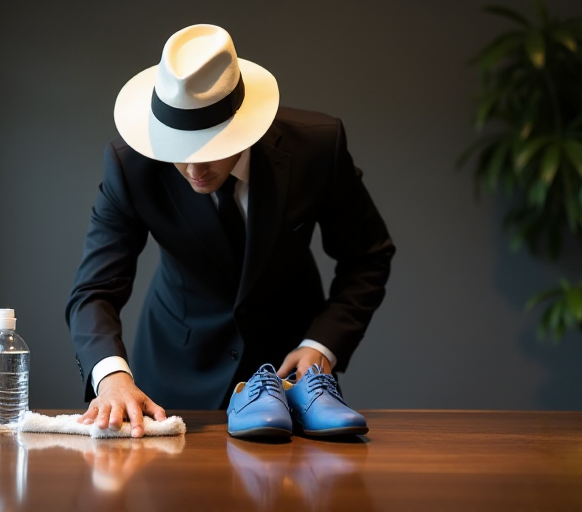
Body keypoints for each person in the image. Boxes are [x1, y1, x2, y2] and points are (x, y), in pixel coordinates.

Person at [66, 24, 394, 437]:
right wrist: (111, 377)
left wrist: (322, 344)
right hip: (174, 377)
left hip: (291, 380)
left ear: (241, 125)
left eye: (209, 148)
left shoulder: (318, 148)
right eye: (177, 150)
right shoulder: (129, 166)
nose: (194, 169)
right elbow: (94, 290)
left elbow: (368, 256)